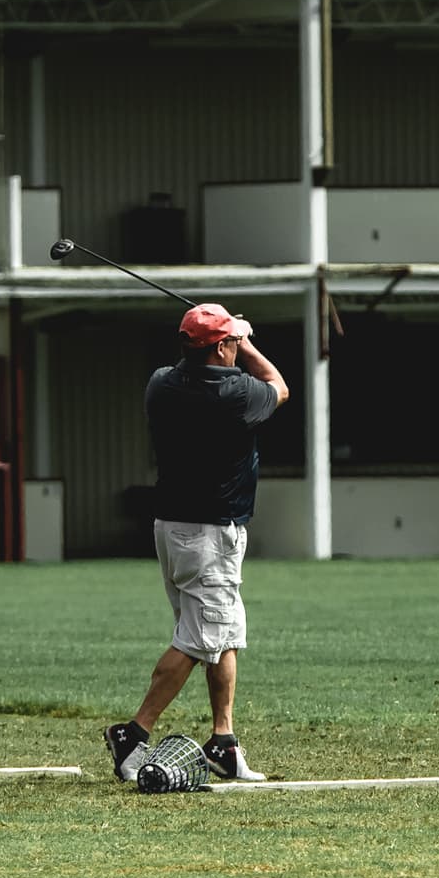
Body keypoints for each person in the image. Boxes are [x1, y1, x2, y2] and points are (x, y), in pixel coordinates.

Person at [108, 301, 288, 784]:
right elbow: (280, 387)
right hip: (210, 533)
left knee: (224, 632)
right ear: (223, 347)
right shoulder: (233, 392)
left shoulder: (160, 384)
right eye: (230, 342)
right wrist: (248, 341)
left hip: (172, 528)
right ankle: (133, 733)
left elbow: (198, 362)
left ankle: (223, 742)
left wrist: (227, 336)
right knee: (199, 638)